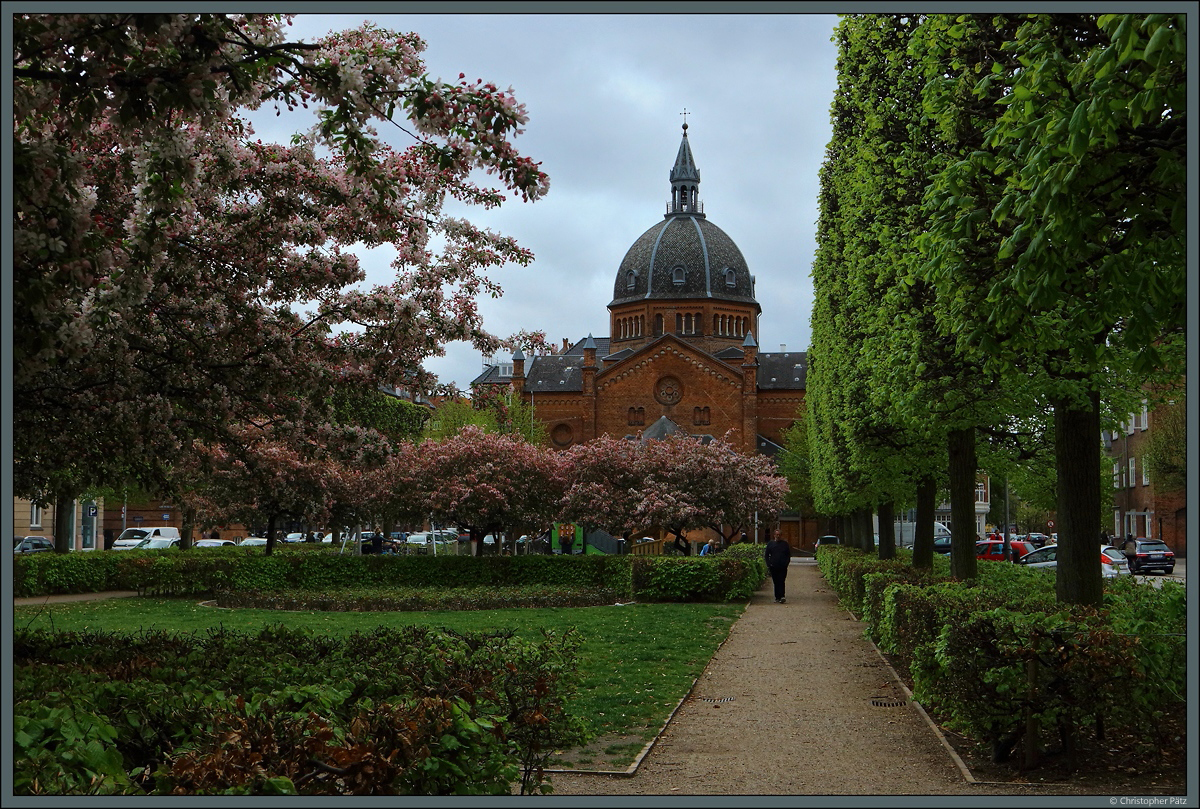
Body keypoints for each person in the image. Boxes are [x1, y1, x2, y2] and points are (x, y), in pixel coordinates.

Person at [764, 528, 792, 603]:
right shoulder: (770, 544)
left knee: (781, 581)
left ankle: (782, 596)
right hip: (773, 566)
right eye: (777, 535)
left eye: (779, 535)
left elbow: (788, 555)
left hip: (782, 566)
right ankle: (777, 597)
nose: (778, 536)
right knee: (776, 582)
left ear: (781, 535)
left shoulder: (785, 544)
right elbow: (766, 555)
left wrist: (786, 563)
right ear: (774, 535)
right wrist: (769, 564)